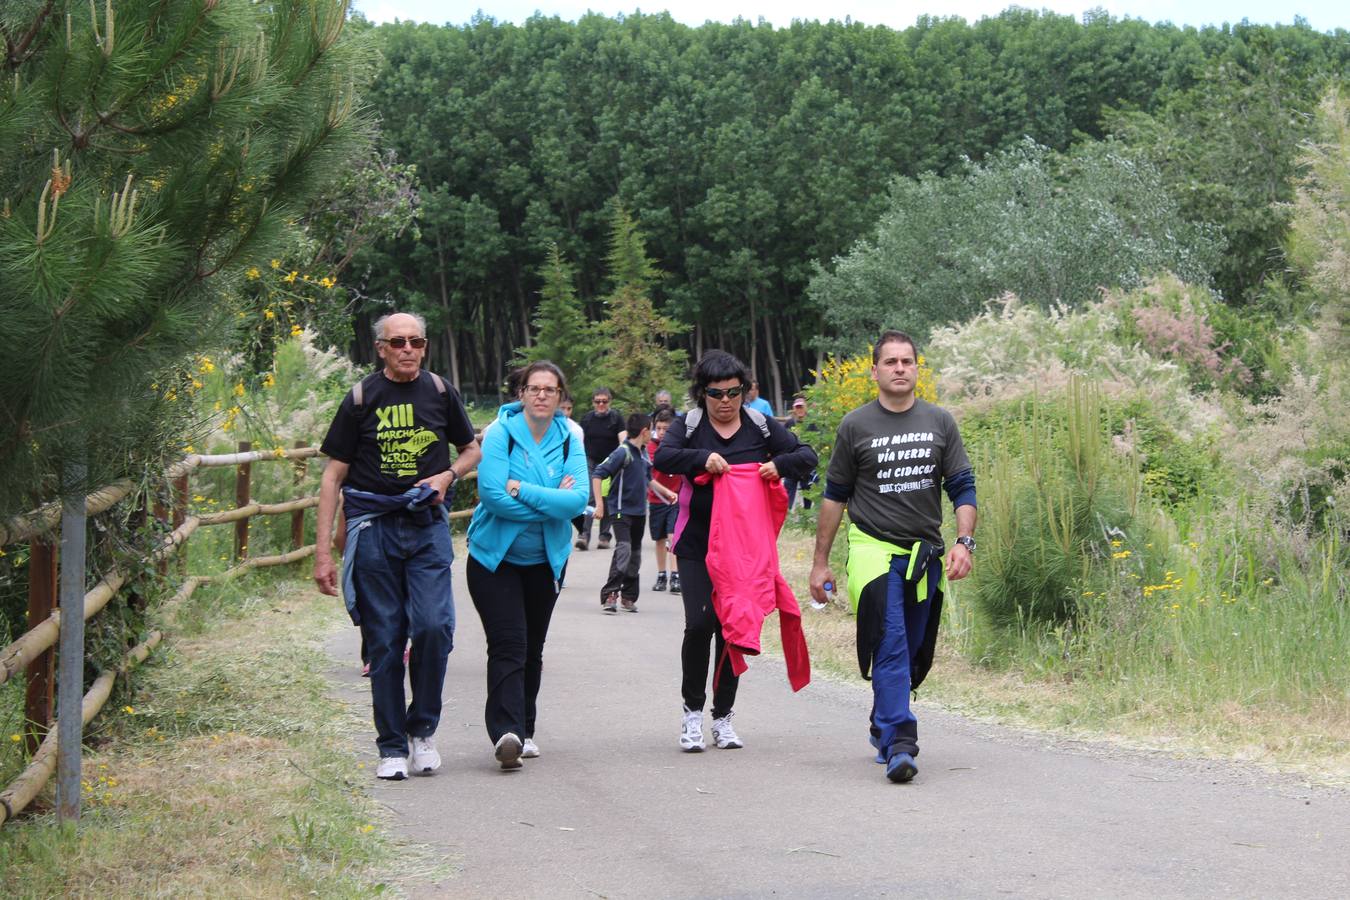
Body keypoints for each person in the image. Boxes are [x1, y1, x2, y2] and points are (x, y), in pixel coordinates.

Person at [315, 312, 481, 781]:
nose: (408, 348)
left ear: (424, 346)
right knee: (385, 640)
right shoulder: (361, 398)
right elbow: (332, 476)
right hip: (374, 529)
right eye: (399, 342)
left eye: (417, 341)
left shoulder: (440, 392)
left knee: (433, 627)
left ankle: (421, 730)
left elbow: (471, 450)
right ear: (382, 348)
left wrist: (448, 475)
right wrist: (324, 552)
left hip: (426, 523)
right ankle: (390, 746)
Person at [808, 330, 976, 785]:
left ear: (917, 369)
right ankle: (901, 741)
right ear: (875, 371)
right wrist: (820, 562)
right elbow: (834, 496)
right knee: (892, 639)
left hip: (925, 552)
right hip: (872, 548)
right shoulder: (855, 425)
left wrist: (964, 541)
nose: (900, 368)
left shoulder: (940, 422)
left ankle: (884, 718)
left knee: (917, 650)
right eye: (891, 362)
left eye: (907, 361)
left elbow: (961, 486)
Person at [655, 350, 817, 752]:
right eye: (716, 393)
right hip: (695, 545)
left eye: (734, 392)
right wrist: (703, 459)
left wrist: (778, 465)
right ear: (702, 393)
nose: (726, 401)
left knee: (733, 627)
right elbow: (663, 456)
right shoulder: (690, 426)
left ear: (744, 391)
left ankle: (723, 716)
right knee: (699, 624)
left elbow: (806, 455)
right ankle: (693, 712)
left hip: (742, 550)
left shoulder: (759, 426)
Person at [467, 361, 588, 769]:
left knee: (532, 648)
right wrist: (549, 501)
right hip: (494, 560)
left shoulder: (571, 438)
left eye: (549, 390)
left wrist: (523, 490)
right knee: (509, 644)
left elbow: (577, 502)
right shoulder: (500, 433)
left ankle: (526, 729)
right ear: (520, 394)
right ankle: (507, 732)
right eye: (533, 388)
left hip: (545, 562)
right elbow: (491, 495)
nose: (541, 395)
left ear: (560, 397)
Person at [592, 412, 675, 613]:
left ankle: (628, 597)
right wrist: (599, 505)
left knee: (635, 556)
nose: (653, 434)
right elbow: (598, 474)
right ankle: (610, 594)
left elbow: (648, 479)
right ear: (645, 431)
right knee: (624, 550)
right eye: (651, 430)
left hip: (639, 512)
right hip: (621, 511)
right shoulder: (622, 452)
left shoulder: (644, 453)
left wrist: (668, 492)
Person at [577, 387, 624, 550]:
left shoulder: (616, 418)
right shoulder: (587, 419)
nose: (601, 404)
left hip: (610, 463)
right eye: (598, 401)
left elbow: (623, 440)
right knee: (589, 497)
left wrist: (623, 457)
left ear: (609, 401)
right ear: (593, 403)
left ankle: (604, 536)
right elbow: (579, 441)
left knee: (607, 498)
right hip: (590, 461)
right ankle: (583, 534)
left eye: (604, 401)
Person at [646, 407, 682, 595]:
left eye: (666, 429)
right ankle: (662, 574)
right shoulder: (651, 447)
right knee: (659, 538)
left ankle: (675, 575)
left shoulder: (679, 445)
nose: (661, 432)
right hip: (656, 499)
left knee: (673, 536)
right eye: (658, 428)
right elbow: (654, 467)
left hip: (676, 498)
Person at [783, 395, 820, 510]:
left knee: (807, 493)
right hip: (792, 463)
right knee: (787, 493)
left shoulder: (813, 424)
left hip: (806, 464)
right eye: (797, 407)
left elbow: (818, 443)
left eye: (801, 407)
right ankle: (785, 517)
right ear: (794, 409)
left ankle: (806, 520)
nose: (799, 410)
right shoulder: (789, 424)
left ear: (806, 408)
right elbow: (783, 441)